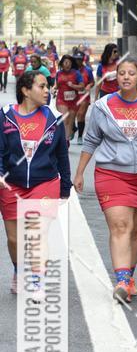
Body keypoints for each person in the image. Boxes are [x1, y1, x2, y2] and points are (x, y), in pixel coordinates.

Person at [73, 56, 137, 303]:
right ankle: (121, 280)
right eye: (121, 73)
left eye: (131, 73)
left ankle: (129, 276)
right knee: (120, 226)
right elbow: (91, 140)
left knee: (135, 230)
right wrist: (79, 172)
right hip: (111, 173)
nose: (126, 77)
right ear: (115, 77)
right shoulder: (103, 106)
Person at [0, 71, 71, 294]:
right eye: (42, 86)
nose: (47, 90)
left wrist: (65, 186)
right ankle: (19, 270)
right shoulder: (5, 116)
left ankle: (37, 280)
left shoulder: (54, 118)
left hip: (45, 182)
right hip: (11, 184)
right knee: (14, 239)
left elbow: (61, 154)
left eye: (48, 86)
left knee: (37, 232)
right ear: (25, 90)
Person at [54, 54, 83, 141]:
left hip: (74, 100)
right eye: (65, 62)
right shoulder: (58, 73)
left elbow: (82, 87)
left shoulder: (76, 73)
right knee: (64, 120)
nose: (67, 64)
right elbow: (56, 85)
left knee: (70, 122)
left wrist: (73, 85)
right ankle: (62, 141)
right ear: (62, 64)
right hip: (61, 99)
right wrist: (54, 89)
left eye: (69, 62)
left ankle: (66, 141)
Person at [73, 51, 95, 144]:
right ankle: (73, 128)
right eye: (76, 59)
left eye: (79, 59)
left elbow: (92, 82)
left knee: (81, 115)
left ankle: (80, 136)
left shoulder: (87, 70)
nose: (78, 61)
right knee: (71, 115)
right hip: (72, 96)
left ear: (82, 60)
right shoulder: (71, 70)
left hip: (84, 95)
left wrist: (89, 86)